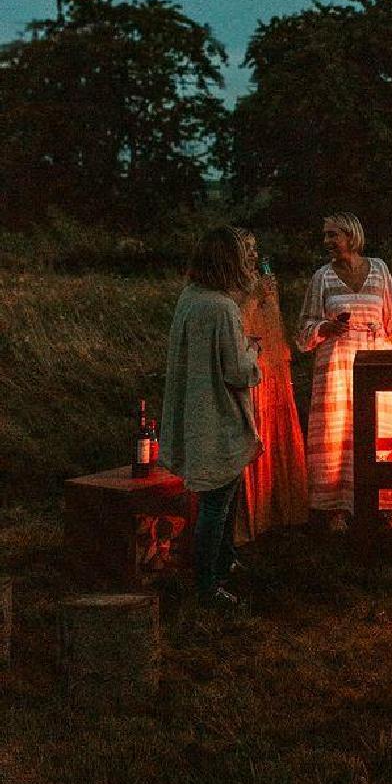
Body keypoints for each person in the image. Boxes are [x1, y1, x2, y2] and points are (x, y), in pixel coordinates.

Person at [159, 225, 262, 608]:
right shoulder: (221, 308)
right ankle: (208, 584)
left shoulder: (190, 297)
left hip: (195, 411)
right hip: (216, 418)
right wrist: (254, 353)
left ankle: (224, 560)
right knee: (216, 503)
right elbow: (238, 371)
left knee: (223, 495)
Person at [297, 212, 392, 533]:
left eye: (333, 235)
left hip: (376, 358)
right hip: (336, 363)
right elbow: (303, 330)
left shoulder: (379, 270)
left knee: (380, 431)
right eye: (325, 235)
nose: (327, 242)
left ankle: (390, 505)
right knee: (339, 435)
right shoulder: (322, 277)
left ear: (350, 235)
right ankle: (338, 507)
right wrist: (325, 327)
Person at [236, 231, 308, 538]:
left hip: (275, 364)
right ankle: (254, 516)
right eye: (247, 250)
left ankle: (281, 509)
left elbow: (273, 323)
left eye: (255, 249)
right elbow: (238, 326)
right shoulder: (231, 288)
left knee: (278, 431)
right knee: (256, 433)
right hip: (252, 365)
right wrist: (255, 297)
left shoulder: (260, 280)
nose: (253, 255)